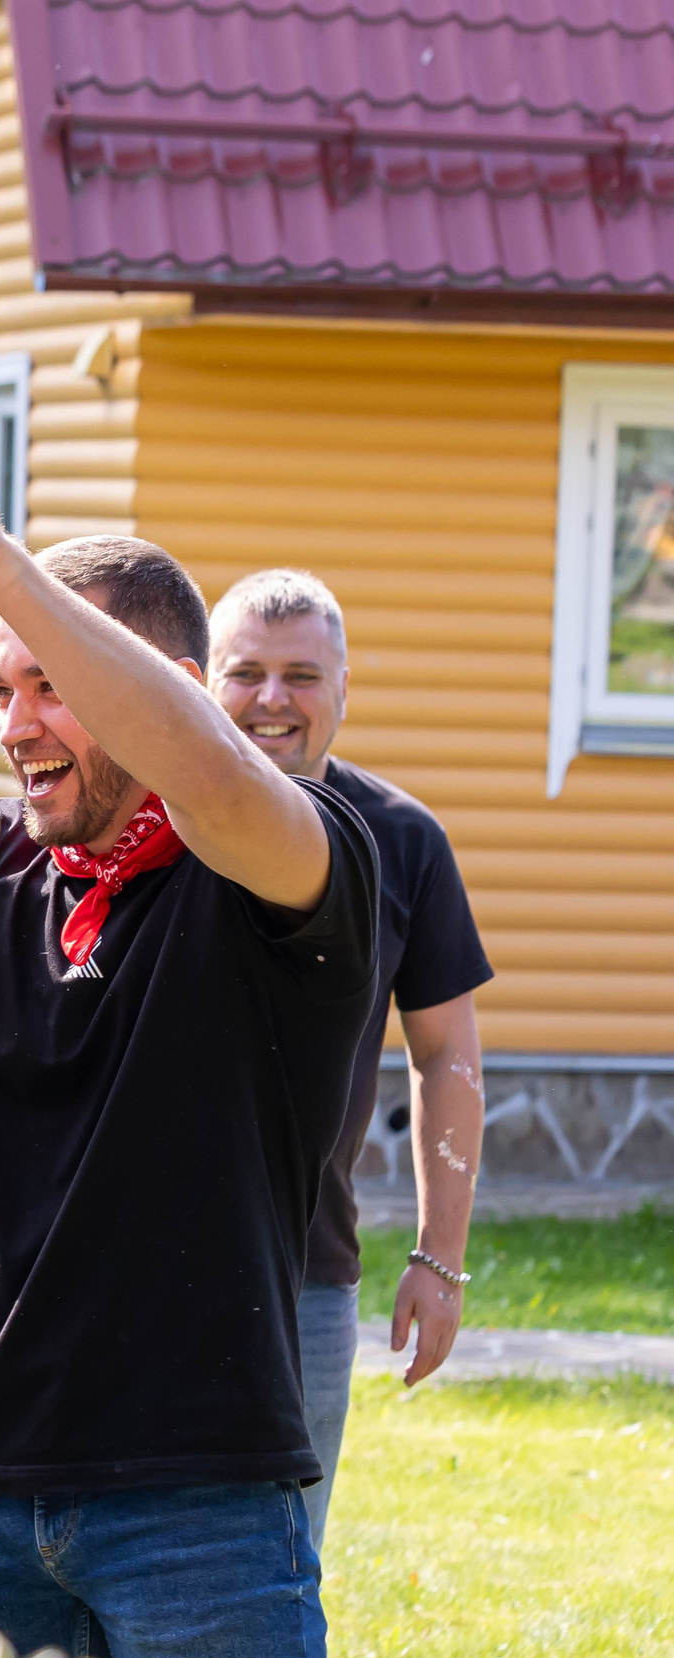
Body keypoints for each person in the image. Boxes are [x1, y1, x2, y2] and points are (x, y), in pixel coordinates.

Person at [0, 347, 380, 1658]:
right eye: (1, 689)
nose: (15, 723)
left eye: (51, 683)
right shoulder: (2, 872)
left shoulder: (291, 853)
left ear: (161, 684)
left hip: (198, 1498)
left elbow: (204, 762)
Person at [210, 568, 491, 1551]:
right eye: (245, 672)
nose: (272, 699)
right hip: (135, 1263)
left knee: (283, 1558)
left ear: (342, 688)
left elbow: (445, 1052)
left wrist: (439, 1256)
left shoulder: (403, 840)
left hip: (307, 1272)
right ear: (201, 680)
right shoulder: (153, 824)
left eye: (301, 675)